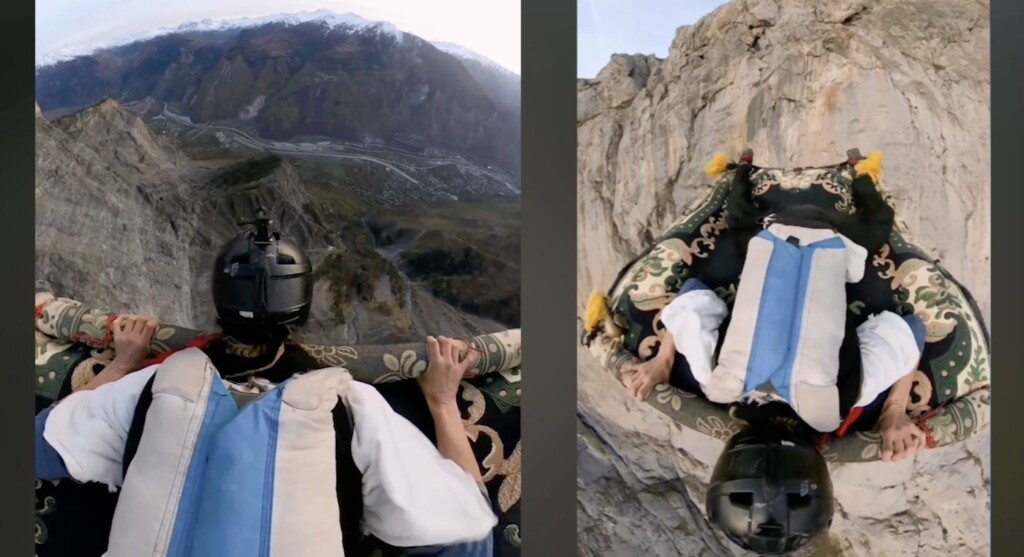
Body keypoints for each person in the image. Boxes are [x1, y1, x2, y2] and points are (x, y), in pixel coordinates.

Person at [34, 209, 496, 556]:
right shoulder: (350, 404)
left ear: (218, 299)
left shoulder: (154, 383)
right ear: (301, 308)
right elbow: (470, 533)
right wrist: (441, 402)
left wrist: (121, 365)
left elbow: (40, 442)